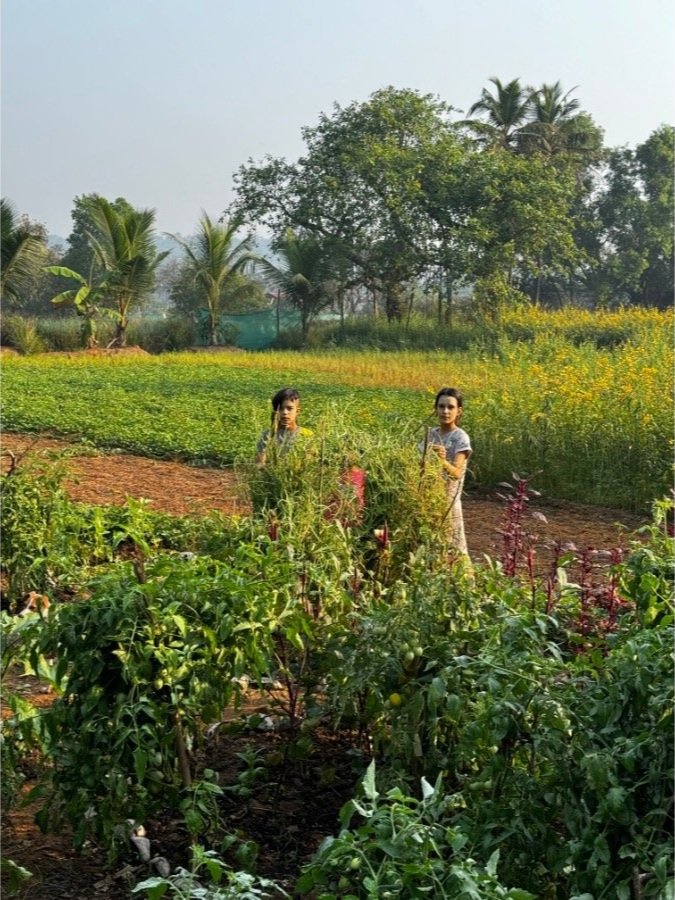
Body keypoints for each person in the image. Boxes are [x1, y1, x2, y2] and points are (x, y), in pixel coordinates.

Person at [419, 387, 472, 556]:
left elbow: (456, 473)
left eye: (450, 407)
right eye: (441, 407)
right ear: (435, 409)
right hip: (428, 500)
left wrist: (441, 461)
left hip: (448, 503)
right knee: (429, 548)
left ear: (459, 411)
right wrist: (427, 457)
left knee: (453, 551)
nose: (445, 411)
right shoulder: (431, 434)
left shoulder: (460, 437)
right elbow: (418, 464)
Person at [255, 387, 312, 466]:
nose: (285, 412)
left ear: (297, 411)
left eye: (289, 408)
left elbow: (309, 464)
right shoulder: (267, 435)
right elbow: (260, 464)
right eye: (280, 409)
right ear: (275, 412)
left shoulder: (307, 435)